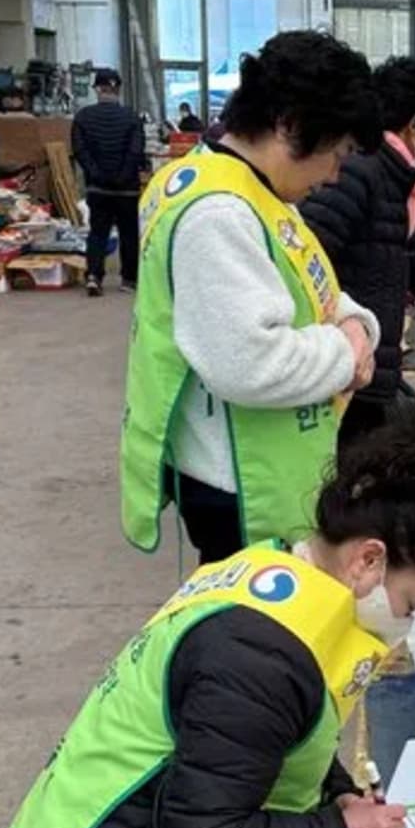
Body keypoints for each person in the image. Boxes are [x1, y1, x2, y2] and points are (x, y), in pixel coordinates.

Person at [0, 418, 415, 828]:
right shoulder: (258, 655)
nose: (405, 623)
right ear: (369, 560)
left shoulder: (272, 575)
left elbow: (282, 740)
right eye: (412, 603)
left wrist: (337, 792)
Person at [120, 30, 383, 562]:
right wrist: (346, 353)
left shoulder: (249, 188)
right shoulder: (218, 212)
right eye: (337, 152)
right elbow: (249, 362)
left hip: (263, 457)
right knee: (254, 626)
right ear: (288, 124)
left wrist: (356, 326)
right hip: (238, 484)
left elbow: (315, 287)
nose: (335, 174)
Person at [300, 58, 415, 450]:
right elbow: (308, 254)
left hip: (369, 362)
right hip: (348, 364)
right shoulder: (361, 170)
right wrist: (342, 333)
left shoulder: (392, 179)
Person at [73, 68, 148, 297]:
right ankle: (129, 279)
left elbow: (80, 150)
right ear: (118, 89)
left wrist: (96, 173)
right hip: (127, 189)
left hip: (98, 187)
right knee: (128, 234)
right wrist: (123, 175)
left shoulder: (83, 117)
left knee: (98, 232)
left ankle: (94, 276)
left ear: (97, 89)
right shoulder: (131, 117)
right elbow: (136, 151)